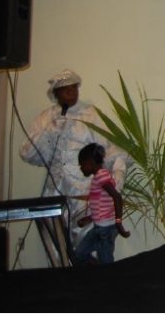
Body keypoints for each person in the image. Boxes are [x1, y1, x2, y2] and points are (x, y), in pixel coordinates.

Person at [19, 69, 129, 253]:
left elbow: (111, 150)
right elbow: (28, 154)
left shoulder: (91, 115)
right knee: (56, 247)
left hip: (84, 192)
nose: (71, 92)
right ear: (55, 93)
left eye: (74, 87)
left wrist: (118, 173)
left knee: (85, 245)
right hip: (54, 192)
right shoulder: (45, 118)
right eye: (65, 89)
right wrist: (49, 131)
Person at [72, 143, 130, 265]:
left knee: (106, 262)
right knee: (79, 255)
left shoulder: (101, 177)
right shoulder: (98, 178)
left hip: (105, 231)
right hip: (98, 228)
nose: (81, 168)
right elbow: (102, 206)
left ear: (90, 163)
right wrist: (89, 218)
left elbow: (117, 197)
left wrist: (118, 223)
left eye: (82, 165)